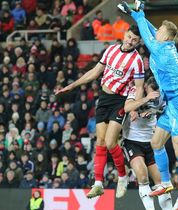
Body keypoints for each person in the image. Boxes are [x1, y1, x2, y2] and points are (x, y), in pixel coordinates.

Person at [55, 25, 145, 199]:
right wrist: (71, 85)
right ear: (125, 35)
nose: (130, 41)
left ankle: (122, 176)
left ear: (138, 42)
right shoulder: (111, 50)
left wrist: (134, 106)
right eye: (129, 37)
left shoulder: (137, 61)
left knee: (111, 142)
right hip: (104, 99)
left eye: (134, 40)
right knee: (101, 142)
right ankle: (98, 184)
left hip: (120, 101)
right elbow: (95, 72)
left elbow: (139, 87)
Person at [118, 1, 178, 209]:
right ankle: (166, 183)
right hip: (170, 105)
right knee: (156, 143)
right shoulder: (166, 45)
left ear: (166, 35)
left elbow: (146, 32)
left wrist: (137, 14)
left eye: (160, 30)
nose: (156, 32)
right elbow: (149, 29)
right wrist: (137, 13)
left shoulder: (162, 51)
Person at [122, 77, 172, 210]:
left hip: (152, 141)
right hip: (132, 141)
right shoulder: (135, 90)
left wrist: (153, 111)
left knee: (161, 182)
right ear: (145, 88)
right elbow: (127, 107)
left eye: (157, 93)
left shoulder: (162, 95)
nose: (155, 97)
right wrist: (145, 99)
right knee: (143, 176)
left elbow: (167, 112)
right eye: (152, 93)